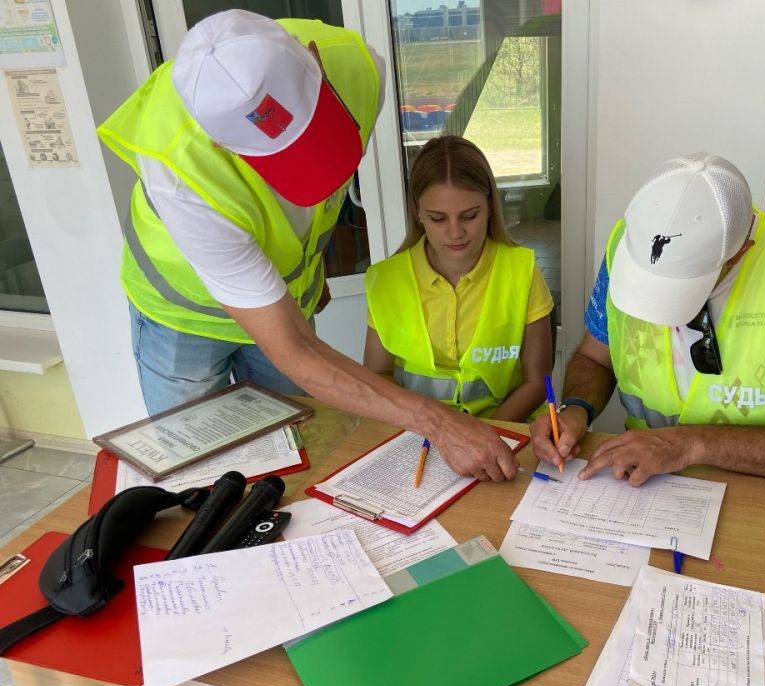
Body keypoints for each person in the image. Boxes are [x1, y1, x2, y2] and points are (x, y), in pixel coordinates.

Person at [96, 10, 517, 481]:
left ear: (314, 62)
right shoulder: (182, 174)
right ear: (228, 146)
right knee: (200, 470)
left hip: (281, 294)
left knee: (296, 449)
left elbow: (316, 200)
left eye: (317, 136)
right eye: (284, 161)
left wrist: (310, 269)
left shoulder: (359, 66)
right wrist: (440, 422)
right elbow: (294, 348)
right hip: (184, 317)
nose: (314, 176)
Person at [531, 153, 765, 485]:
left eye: (680, 288)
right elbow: (595, 356)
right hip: (645, 488)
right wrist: (576, 409)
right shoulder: (630, 246)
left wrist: (693, 444)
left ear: (741, 251)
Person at [363, 136, 554, 421]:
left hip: (505, 434)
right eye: (438, 219)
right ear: (417, 212)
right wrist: (439, 429)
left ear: (490, 206)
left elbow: (537, 383)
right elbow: (377, 375)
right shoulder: (387, 280)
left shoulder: (521, 270)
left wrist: (483, 437)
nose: (455, 233)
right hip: (420, 437)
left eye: (469, 216)